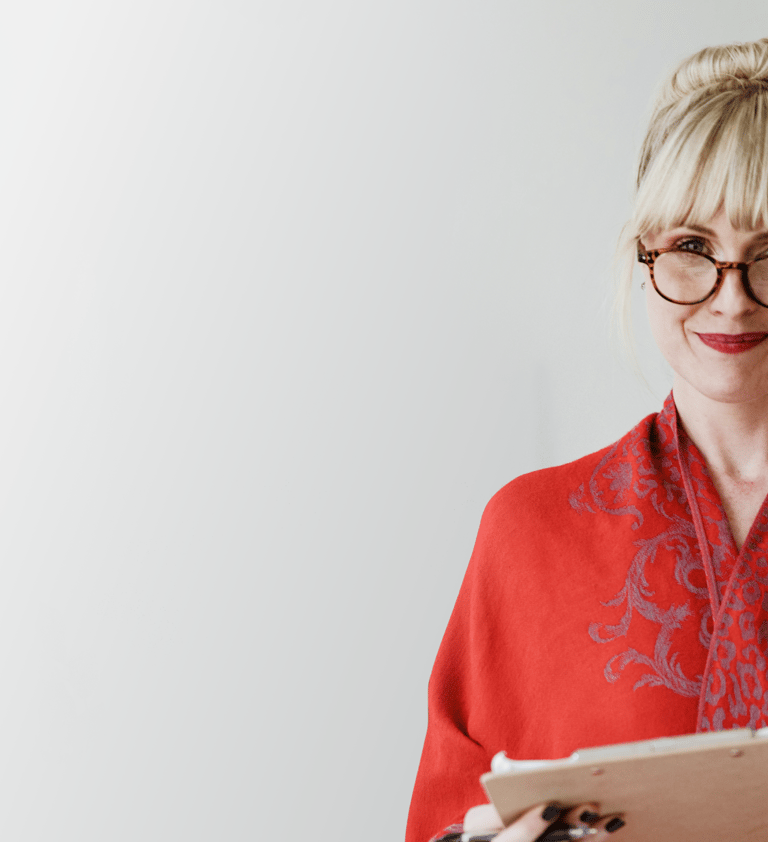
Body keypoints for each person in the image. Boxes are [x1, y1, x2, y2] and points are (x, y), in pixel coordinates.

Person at [406, 36, 768, 842]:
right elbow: (442, 818)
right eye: (692, 248)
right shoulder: (530, 533)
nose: (733, 298)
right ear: (643, 256)